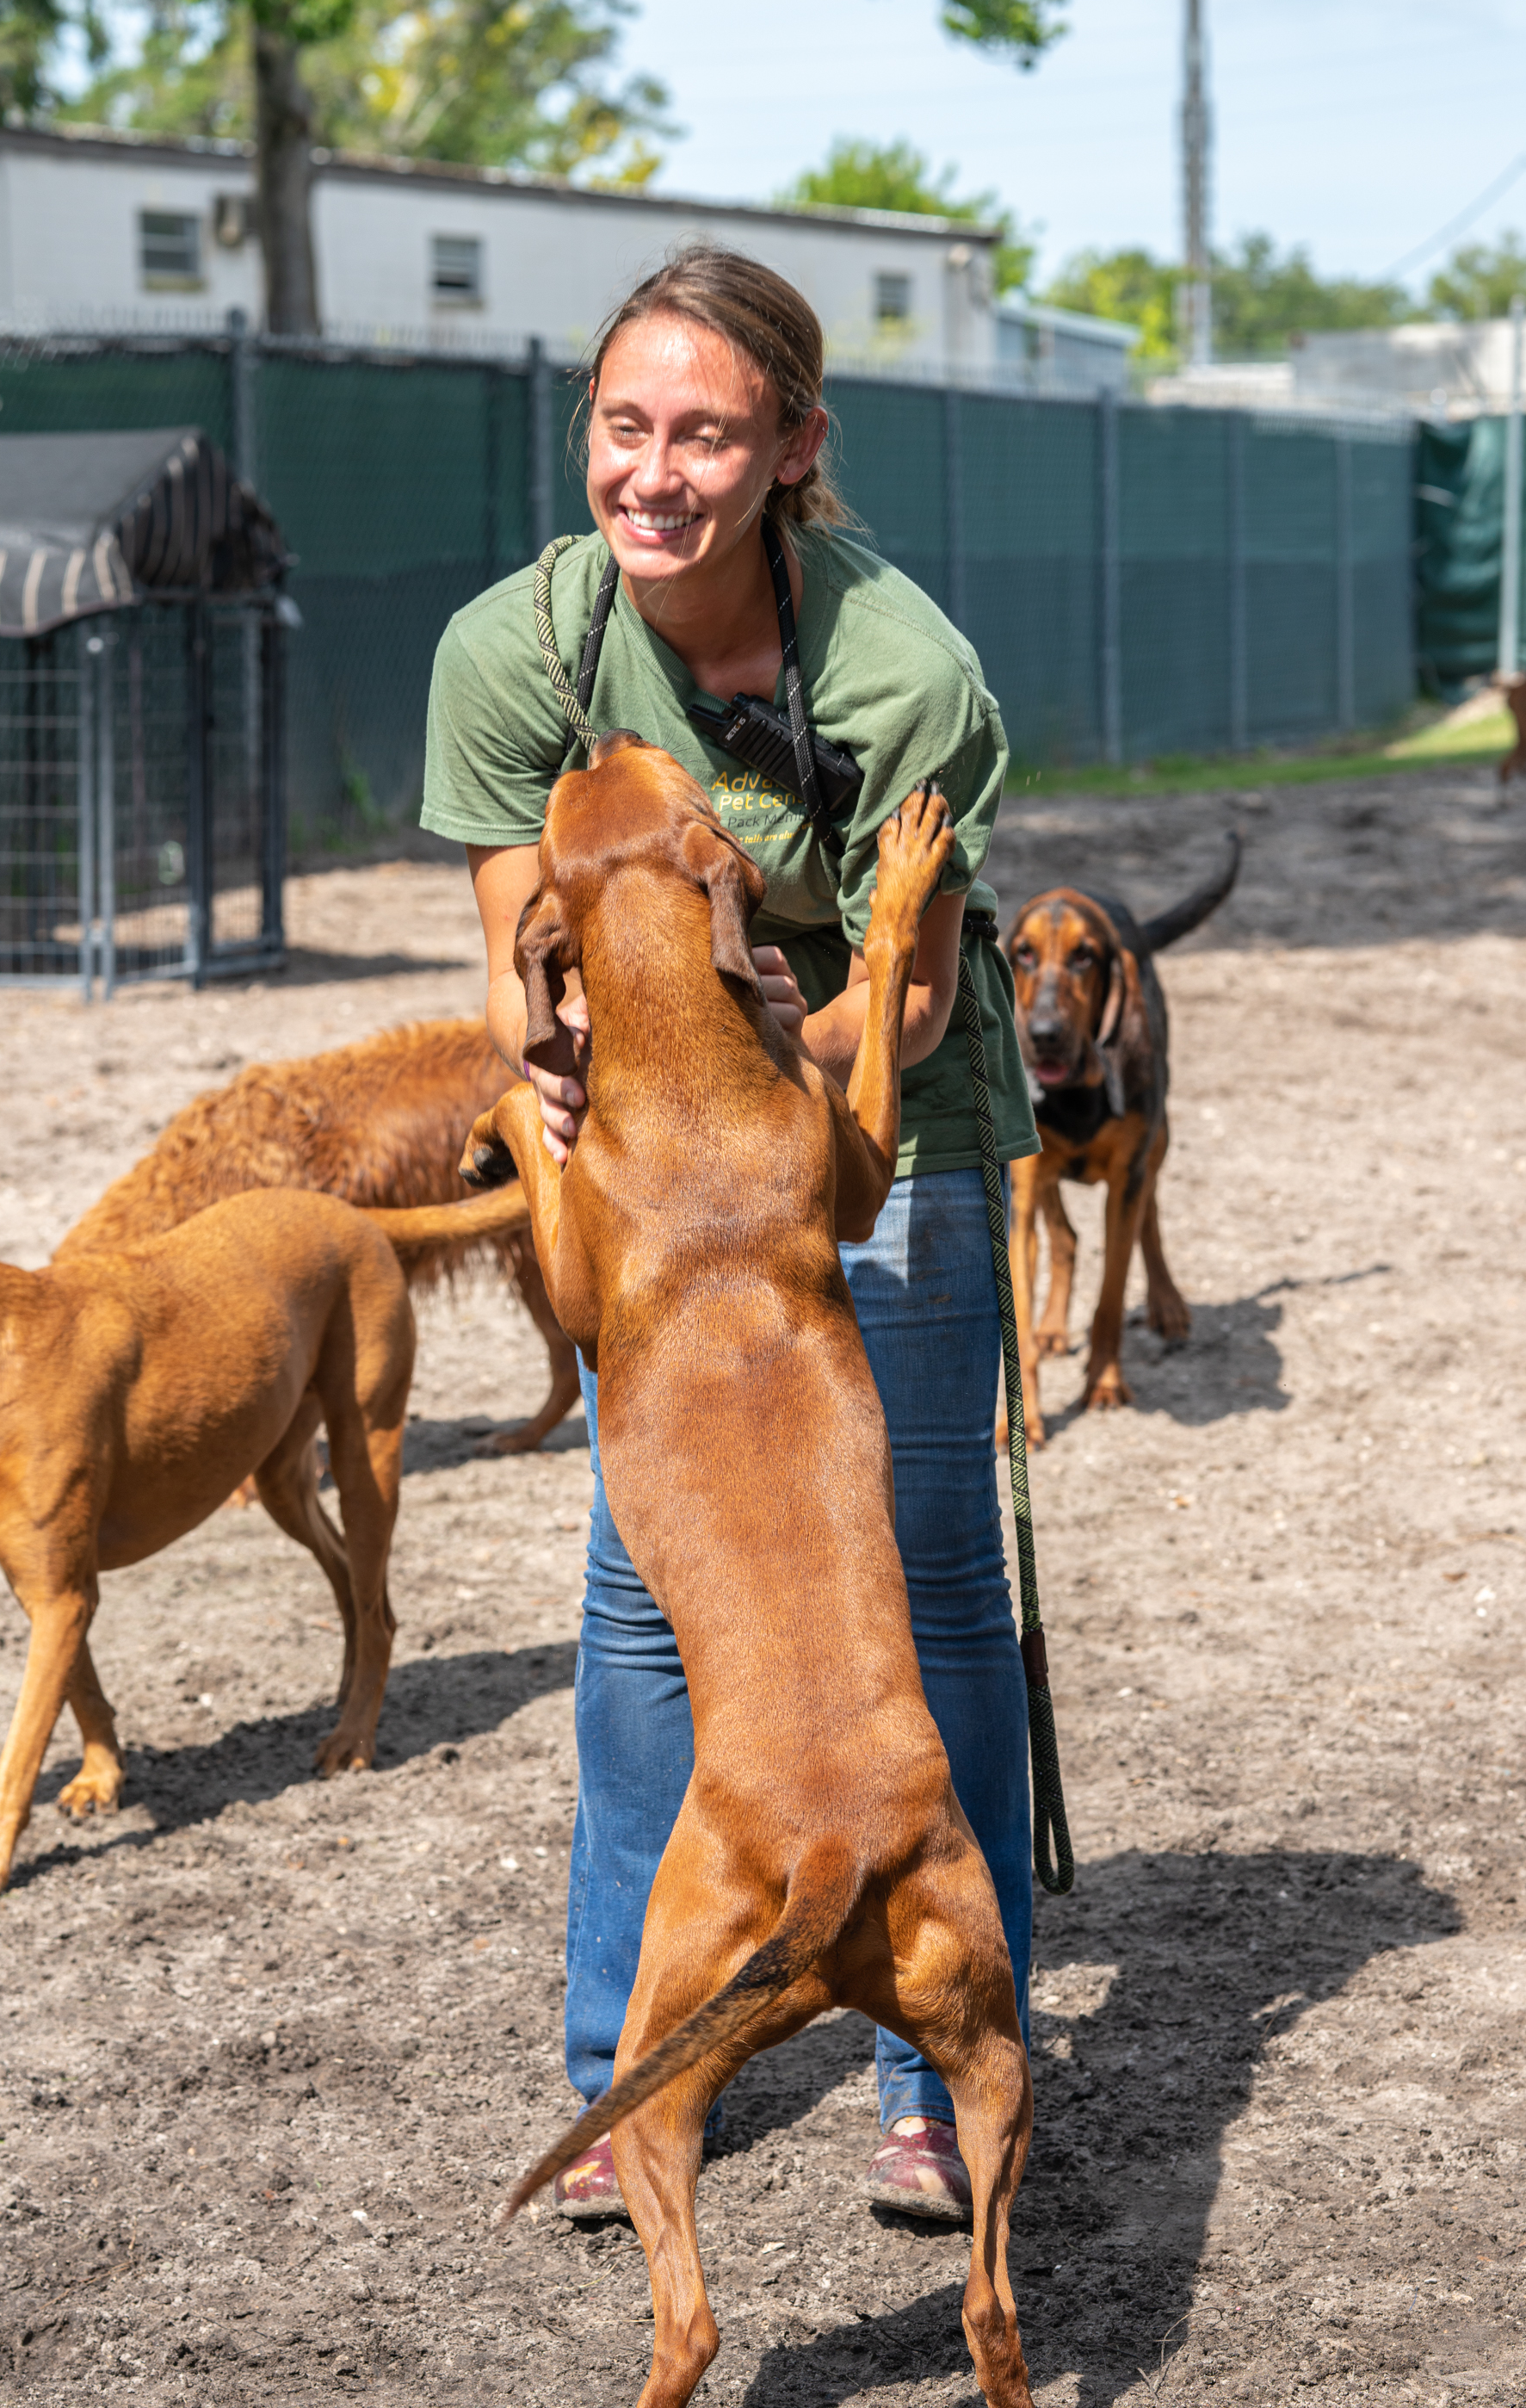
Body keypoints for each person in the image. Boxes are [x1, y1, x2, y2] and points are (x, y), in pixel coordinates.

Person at [422, 245, 1038, 2225]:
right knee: (640, 1602)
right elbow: (524, 952)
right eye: (624, 426)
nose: (656, 470)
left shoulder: (902, 677)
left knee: (926, 1588)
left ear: (790, 449)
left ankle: (933, 2056)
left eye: (703, 431)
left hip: (885, 1122)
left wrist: (773, 1110)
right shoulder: (518, 644)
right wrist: (556, 1095)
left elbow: (912, 1003)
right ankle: (633, 2059)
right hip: (661, 1163)